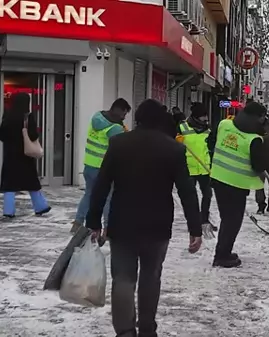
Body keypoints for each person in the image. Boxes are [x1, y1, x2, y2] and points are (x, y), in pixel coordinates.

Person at [86, 99, 202, 337]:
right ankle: (147, 328)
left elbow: (101, 185)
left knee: (123, 279)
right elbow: (187, 191)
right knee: (151, 277)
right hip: (157, 225)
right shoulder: (173, 149)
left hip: (122, 223)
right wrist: (195, 227)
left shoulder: (118, 144)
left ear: (137, 118)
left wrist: (94, 222)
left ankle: (125, 331)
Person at [207, 101, 268, 268]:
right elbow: (258, 166)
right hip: (236, 184)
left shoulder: (224, 124)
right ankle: (222, 255)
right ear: (259, 118)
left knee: (227, 218)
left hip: (218, 178)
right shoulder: (254, 139)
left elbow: (210, 142)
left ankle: (223, 251)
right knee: (232, 220)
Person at [71, 98, 131, 234]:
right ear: (119, 110)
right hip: (103, 169)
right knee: (108, 197)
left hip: (89, 165)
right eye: (124, 114)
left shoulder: (97, 117)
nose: (124, 117)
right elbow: (122, 147)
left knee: (89, 194)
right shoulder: (115, 128)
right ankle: (108, 227)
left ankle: (78, 222)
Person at [0, 93, 51, 218]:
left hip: (10, 155)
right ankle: (40, 206)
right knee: (32, 182)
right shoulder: (27, 117)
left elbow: (1, 135)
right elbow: (33, 135)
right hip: (25, 155)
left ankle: (8, 211)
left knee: (9, 184)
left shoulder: (8, 115)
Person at [176, 103, 216, 231]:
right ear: (196, 116)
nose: (206, 119)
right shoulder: (182, 127)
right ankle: (193, 222)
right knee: (191, 198)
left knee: (207, 195)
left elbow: (211, 148)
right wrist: (177, 141)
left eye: (206, 116)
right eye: (203, 116)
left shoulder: (208, 129)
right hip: (189, 168)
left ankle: (204, 219)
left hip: (204, 168)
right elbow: (173, 145)